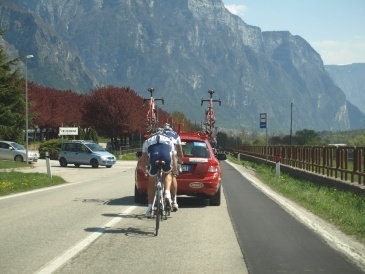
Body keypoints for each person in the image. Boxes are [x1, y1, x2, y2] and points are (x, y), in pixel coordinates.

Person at [139, 128, 174, 218]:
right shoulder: (169, 140)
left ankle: (150, 208)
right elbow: (173, 156)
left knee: (151, 181)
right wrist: (174, 169)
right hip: (166, 157)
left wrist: (144, 169)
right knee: (167, 174)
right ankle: (167, 193)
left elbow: (143, 158)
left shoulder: (147, 141)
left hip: (154, 158)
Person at [163, 123, 184, 211]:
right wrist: (180, 161)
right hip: (171, 157)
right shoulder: (176, 135)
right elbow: (179, 152)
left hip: (159, 157)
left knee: (159, 174)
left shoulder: (160, 134)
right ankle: (174, 201)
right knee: (173, 176)